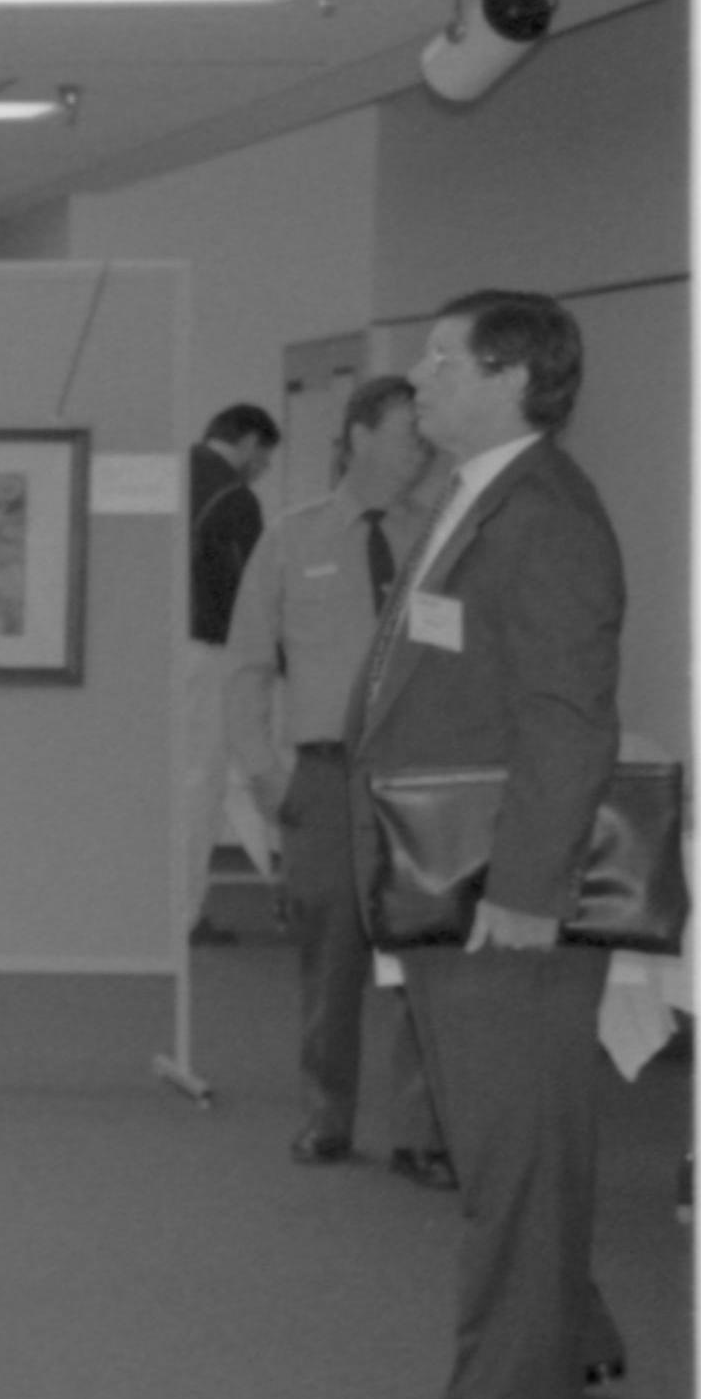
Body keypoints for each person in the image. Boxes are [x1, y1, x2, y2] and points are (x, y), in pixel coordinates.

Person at [352, 291, 625, 1399]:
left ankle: (513, 1379)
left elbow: (567, 719)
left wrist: (522, 893)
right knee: (499, 1129)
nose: (416, 377)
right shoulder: (478, 497)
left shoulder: (544, 512)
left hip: (494, 879)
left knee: (509, 1141)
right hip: (440, 862)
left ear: (512, 376)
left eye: (440, 357)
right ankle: (571, 1335)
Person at [221, 375, 453, 1185]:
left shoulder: (442, 540)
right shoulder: (290, 539)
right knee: (331, 959)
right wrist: (262, 778)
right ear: (356, 435)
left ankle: (423, 1133)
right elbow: (245, 669)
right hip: (322, 781)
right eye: (403, 434)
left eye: (423, 438)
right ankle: (327, 1117)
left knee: (424, 955)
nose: (417, 449)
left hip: (421, 781)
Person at [183, 402, 282, 942]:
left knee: (195, 779)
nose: (262, 468)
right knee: (204, 781)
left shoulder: (176, 475)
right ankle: (184, 913)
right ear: (249, 442)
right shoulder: (235, 498)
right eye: (264, 457)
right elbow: (251, 593)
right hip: (214, 652)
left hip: (170, 652)